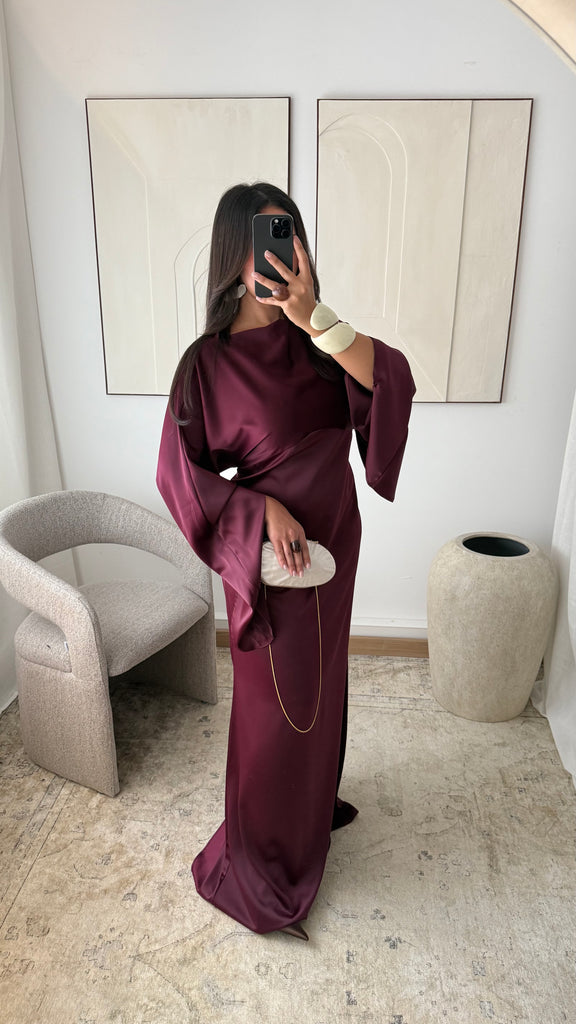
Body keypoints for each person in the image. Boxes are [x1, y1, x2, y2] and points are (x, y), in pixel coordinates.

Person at [156, 182, 415, 941]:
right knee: (274, 707)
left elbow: (393, 381)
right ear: (235, 257)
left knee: (321, 691)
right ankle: (263, 856)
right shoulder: (206, 365)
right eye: (267, 243)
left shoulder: (319, 339)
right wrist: (256, 509)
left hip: (338, 542)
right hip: (274, 560)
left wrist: (315, 318)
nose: (282, 258)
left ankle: (304, 817)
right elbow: (178, 475)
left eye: (291, 239)